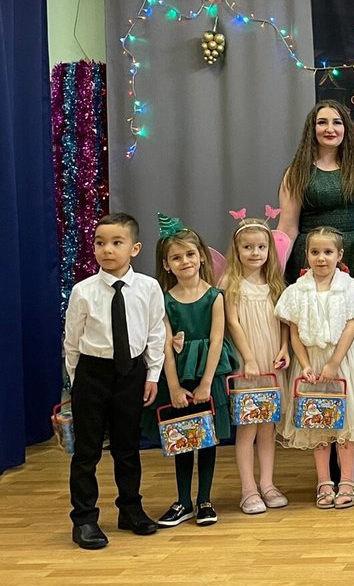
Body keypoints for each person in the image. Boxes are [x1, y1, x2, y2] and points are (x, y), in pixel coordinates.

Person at [65, 212, 166, 549]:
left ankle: (130, 509)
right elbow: (72, 340)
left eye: (116, 242)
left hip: (131, 373)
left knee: (127, 447)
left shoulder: (149, 288)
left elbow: (155, 333)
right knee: (87, 451)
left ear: (134, 248)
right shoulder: (83, 291)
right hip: (92, 373)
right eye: (100, 242)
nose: (106, 249)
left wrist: (152, 375)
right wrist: (77, 382)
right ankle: (84, 519)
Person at [277, 226, 354, 509]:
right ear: (306, 254)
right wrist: (305, 365)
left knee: (346, 424)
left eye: (327, 252)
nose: (321, 258)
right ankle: (324, 482)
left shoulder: (350, 288)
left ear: (339, 254)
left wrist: (334, 363)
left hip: (343, 361)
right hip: (312, 363)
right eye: (315, 252)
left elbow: (351, 328)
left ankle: (347, 480)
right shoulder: (296, 291)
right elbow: (294, 332)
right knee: (318, 424)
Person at [149, 215, 240, 528]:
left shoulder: (215, 297)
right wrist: (174, 387)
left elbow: (216, 341)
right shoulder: (164, 301)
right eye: (176, 257)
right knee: (183, 437)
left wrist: (205, 384)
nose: (184, 261)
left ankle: (204, 500)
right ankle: (182, 501)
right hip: (180, 374)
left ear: (202, 256)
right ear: (166, 265)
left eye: (190, 254)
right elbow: (165, 346)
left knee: (207, 438)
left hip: (208, 375)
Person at [279, 99, 354, 285]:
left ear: (345, 128)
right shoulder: (297, 171)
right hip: (313, 256)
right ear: (312, 129)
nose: (330, 129)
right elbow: (288, 229)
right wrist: (274, 272)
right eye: (322, 122)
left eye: (337, 122)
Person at [219, 217, 291, 515]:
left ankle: (268, 483)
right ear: (237, 250)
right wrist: (248, 358)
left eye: (261, 247)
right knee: (248, 426)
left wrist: (284, 347)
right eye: (247, 247)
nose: (255, 253)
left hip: (272, 360)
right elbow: (233, 323)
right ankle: (248, 489)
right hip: (247, 362)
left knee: (268, 426)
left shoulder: (275, 284)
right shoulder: (231, 283)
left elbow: (284, 320)